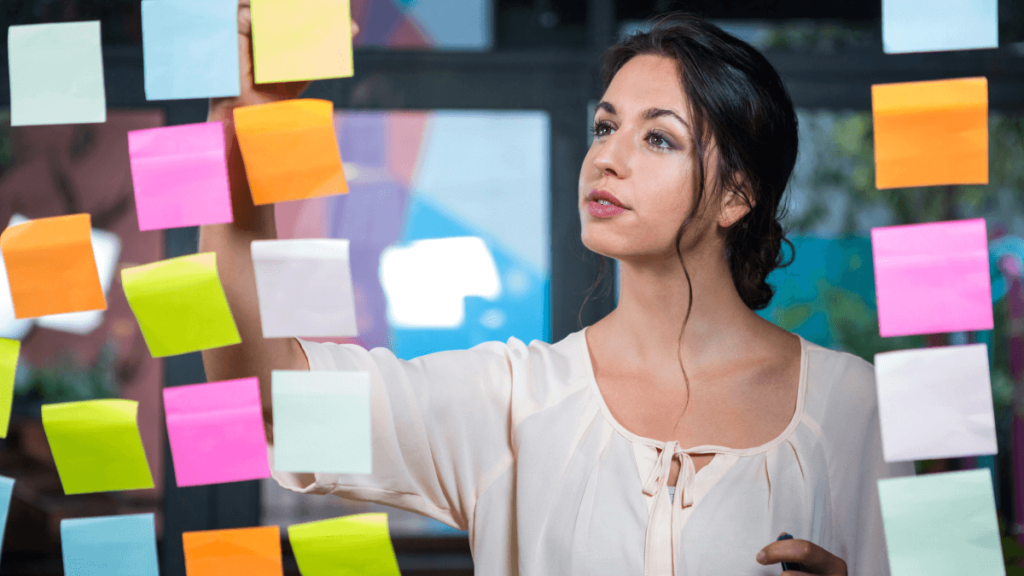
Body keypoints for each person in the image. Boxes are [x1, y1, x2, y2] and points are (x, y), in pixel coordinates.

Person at [201, 5, 913, 575]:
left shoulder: (856, 410)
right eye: (605, 126)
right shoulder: (510, 403)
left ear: (737, 194)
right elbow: (270, 395)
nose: (606, 155)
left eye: (656, 138)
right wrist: (245, 125)